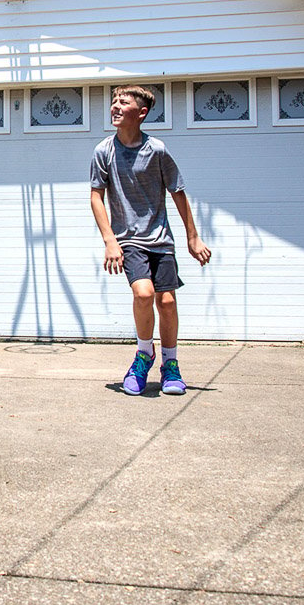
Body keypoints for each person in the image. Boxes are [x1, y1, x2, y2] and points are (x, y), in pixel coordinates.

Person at [89, 85, 211, 396]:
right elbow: (96, 197)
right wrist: (109, 241)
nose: (115, 106)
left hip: (161, 240)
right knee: (144, 294)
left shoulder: (156, 150)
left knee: (167, 301)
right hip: (128, 239)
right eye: (114, 101)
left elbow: (178, 192)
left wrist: (193, 238)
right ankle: (144, 356)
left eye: (124, 102)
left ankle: (170, 364)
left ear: (141, 113)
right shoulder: (104, 151)